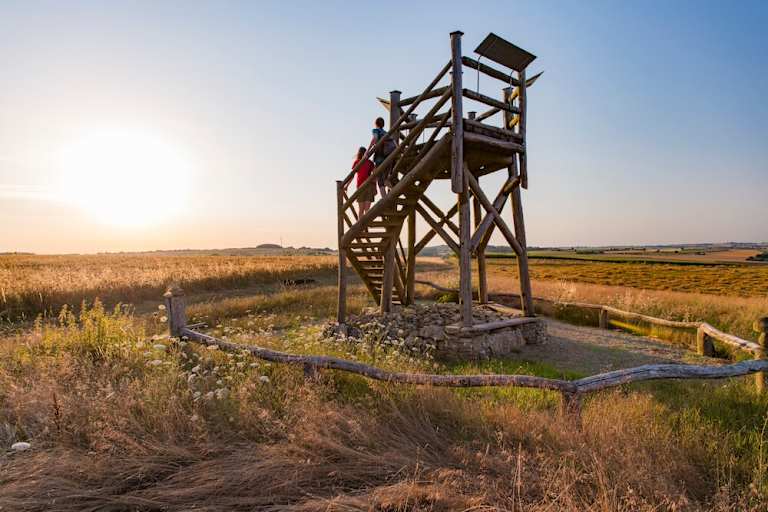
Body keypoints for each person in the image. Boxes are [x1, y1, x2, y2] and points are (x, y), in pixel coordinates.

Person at [368, 117, 396, 197]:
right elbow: (394, 143)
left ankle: (385, 200)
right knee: (386, 179)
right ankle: (395, 191)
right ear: (383, 124)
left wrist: (368, 151)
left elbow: (375, 139)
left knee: (380, 180)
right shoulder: (387, 133)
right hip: (389, 157)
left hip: (380, 157)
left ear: (376, 124)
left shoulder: (376, 130)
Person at [347, 146, 375, 216]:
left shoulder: (358, 162)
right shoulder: (366, 162)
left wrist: (347, 185)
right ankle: (364, 226)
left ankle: (361, 227)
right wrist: (375, 187)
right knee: (366, 210)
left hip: (362, 186)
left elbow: (351, 176)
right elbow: (375, 175)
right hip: (368, 186)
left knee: (361, 210)